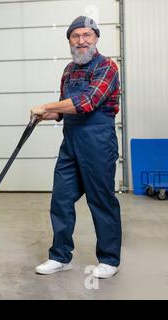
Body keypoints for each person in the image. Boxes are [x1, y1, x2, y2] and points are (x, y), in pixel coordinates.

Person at [31, 16, 122, 279]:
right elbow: (64, 110)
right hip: (71, 142)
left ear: (95, 39)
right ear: (69, 40)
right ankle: (60, 256)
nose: (81, 41)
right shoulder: (69, 70)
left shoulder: (107, 67)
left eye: (87, 35)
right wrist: (44, 115)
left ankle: (109, 259)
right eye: (75, 36)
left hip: (98, 141)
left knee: (101, 200)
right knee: (60, 198)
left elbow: (87, 101)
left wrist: (47, 106)